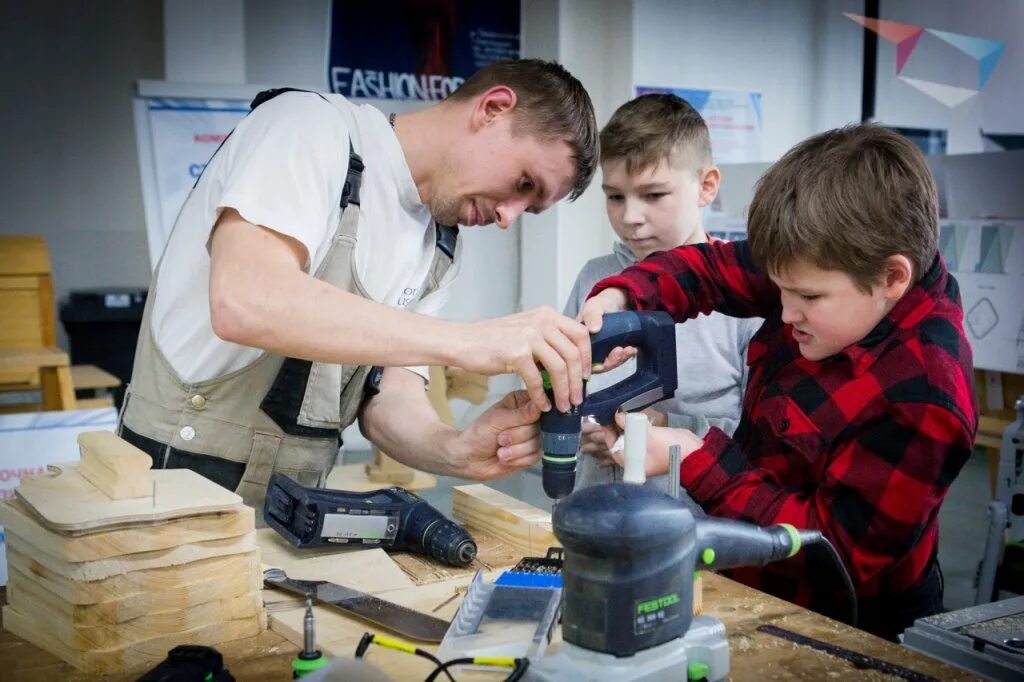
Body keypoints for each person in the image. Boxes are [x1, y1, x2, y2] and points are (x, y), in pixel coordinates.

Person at [119, 59, 598, 508]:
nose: (507, 217)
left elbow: (388, 399)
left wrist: (455, 450)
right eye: (524, 184)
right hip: (172, 489)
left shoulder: (440, 246)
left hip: (294, 508)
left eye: (529, 210)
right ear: (493, 109)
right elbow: (246, 301)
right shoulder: (307, 128)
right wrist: (468, 340)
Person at [581, 124, 978, 640]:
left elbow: (829, 552)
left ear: (892, 279)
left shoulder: (925, 398)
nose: (784, 312)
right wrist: (624, 298)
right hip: (753, 580)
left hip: (845, 621)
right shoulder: (828, 262)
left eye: (807, 298)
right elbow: (714, 270)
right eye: (779, 288)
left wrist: (698, 458)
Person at [562, 94, 758, 493]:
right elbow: (565, 388)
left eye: (653, 195)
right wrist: (577, 426)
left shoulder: (747, 300)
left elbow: (763, 442)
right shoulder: (593, 278)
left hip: (698, 536)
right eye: (615, 196)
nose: (630, 217)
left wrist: (663, 428)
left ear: (706, 187)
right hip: (596, 518)